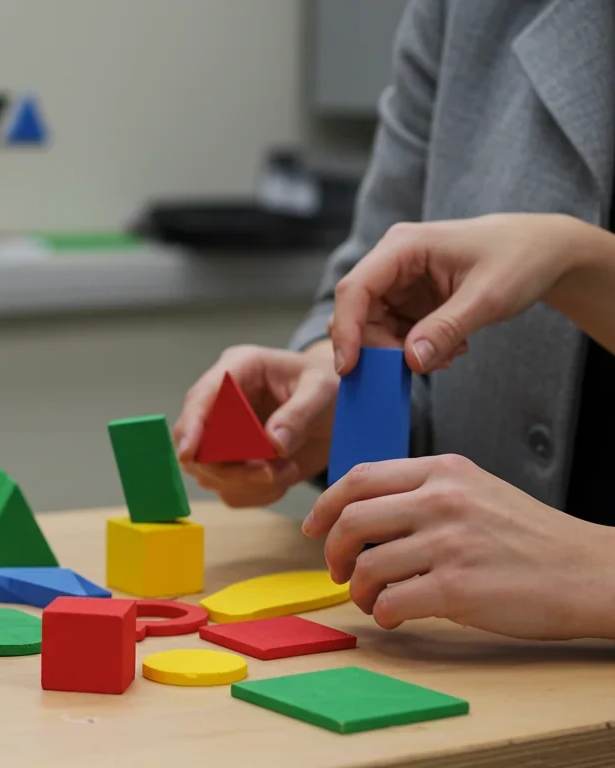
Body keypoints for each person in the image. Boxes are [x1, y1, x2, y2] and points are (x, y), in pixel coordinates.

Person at [172, 0, 615, 641]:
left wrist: (593, 571)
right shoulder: (465, 13)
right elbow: (374, 288)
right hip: (466, 662)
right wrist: (342, 396)